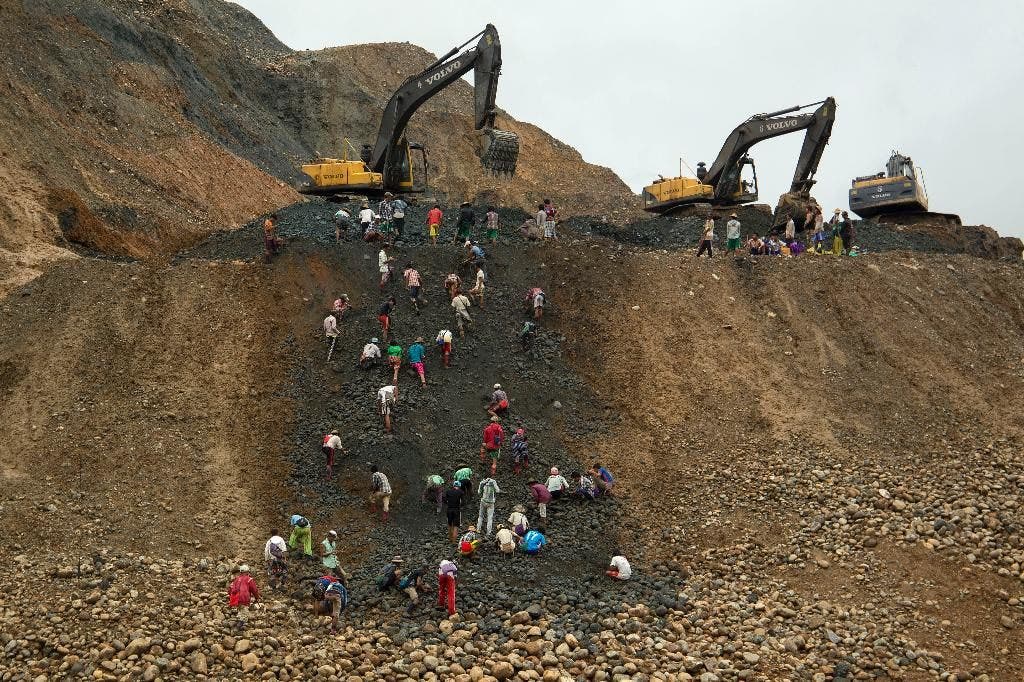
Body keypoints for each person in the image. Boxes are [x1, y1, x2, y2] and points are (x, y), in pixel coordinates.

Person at [228, 565, 261, 630]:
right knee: (245, 614)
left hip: (236, 599)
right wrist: (257, 597)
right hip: (244, 598)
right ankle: (237, 628)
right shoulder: (249, 579)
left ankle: (236, 622)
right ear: (247, 571)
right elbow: (254, 589)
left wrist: (232, 598)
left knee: (241, 610)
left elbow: (230, 589)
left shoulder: (236, 579)